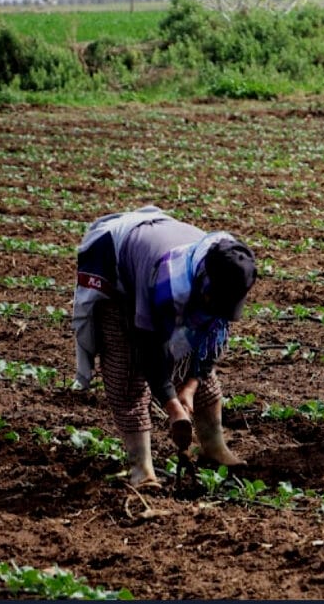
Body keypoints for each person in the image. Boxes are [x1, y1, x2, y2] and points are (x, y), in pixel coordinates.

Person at [72, 206, 256, 487]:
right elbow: (149, 348)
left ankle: (214, 448)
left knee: (196, 357)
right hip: (115, 267)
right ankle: (141, 469)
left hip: (155, 259)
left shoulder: (229, 270)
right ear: (204, 284)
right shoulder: (166, 279)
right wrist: (173, 408)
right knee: (127, 369)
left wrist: (189, 388)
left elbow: (211, 342)